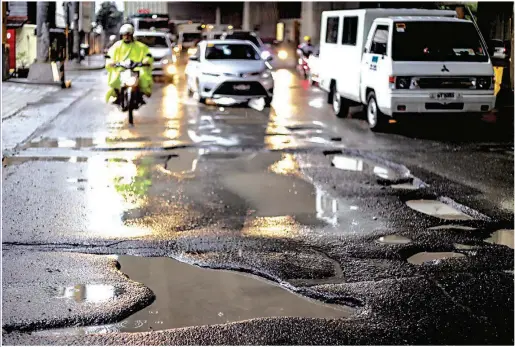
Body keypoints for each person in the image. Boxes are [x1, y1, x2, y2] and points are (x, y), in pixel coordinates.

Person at [104, 24, 153, 104]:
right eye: (124, 35)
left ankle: (141, 94)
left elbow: (147, 54)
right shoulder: (117, 46)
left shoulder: (140, 46)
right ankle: (116, 95)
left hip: (136, 68)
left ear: (131, 35)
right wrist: (111, 62)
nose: (126, 37)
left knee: (144, 76)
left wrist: (146, 61)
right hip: (121, 68)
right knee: (114, 79)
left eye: (128, 35)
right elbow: (110, 55)